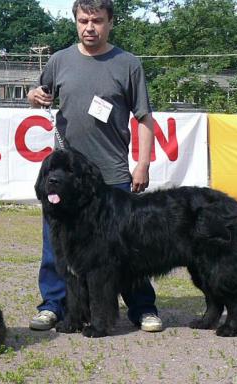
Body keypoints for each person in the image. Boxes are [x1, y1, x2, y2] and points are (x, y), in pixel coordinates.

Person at [27, 0, 162, 333]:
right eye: (83, 20)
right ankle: (54, 306)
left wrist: (142, 164)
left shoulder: (128, 64)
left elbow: (144, 118)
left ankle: (143, 308)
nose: (90, 27)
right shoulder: (59, 60)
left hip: (112, 175)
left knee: (128, 252)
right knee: (56, 248)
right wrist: (34, 96)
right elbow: (39, 92)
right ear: (76, 21)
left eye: (97, 21)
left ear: (110, 22)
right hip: (66, 179)